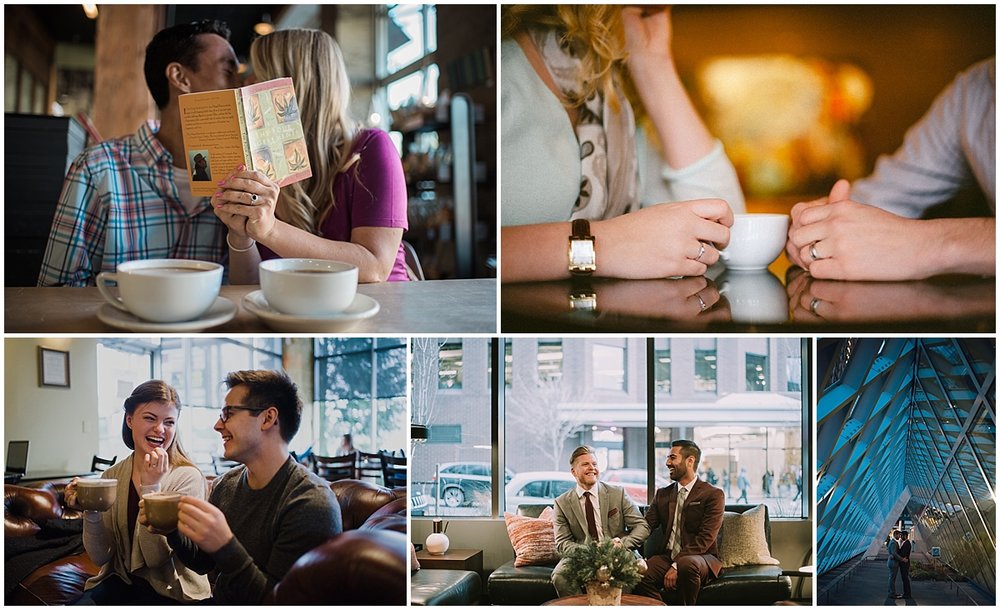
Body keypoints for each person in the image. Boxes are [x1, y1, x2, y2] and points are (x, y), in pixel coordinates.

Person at [500, 5, 744, 283]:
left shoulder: (615, 94)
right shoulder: (499, 66)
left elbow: (725, 234)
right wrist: (606, 244)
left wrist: (653, 62)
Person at [38, 20, 239, 287]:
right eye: (228, 71)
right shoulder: (97, 169)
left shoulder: (241, 175)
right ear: (180, 77)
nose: (241, 85)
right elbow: (57, 293)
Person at [211, 28, 409, 284]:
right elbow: (249, 286)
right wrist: (240, 236)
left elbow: (374, 267)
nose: (246, 82)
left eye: (258, 72)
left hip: (381, 313)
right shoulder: (262, 161)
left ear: (294, 83)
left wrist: (270, 230)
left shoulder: (371, 147)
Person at [787, 57, 995, 281]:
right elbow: (882, 197)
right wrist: (816, 227)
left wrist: (927, 244)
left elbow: (899, 238)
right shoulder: (974, 90)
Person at [154, 370, 342, 604]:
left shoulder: (310, 503)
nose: (217, 425)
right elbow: (203, 563)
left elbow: (281, 602)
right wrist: (171, 528)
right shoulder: (226, 484)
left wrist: (226, 545)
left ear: (267, 418)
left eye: (227, 413)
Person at [63, 381, 210, 603]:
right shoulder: (112, 475)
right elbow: (100, 556)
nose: (160, 429)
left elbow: (155, 558)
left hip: (172, 593)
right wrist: (90, 508)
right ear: (129, 420)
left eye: (169, 422)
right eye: (150, 418)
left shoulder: (188, 477)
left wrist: (151, 489)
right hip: (122, 581)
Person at [551, 445, 650, 597]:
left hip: (618, 551)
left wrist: (622, 544)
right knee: (560, 576)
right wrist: (592, 552)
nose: (592, 468)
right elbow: (562, 543)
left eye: (594, 464)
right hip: (582, 554)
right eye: (585, 464)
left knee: (631, 569)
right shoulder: (562, 503)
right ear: (573, 471)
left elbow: (642, 526)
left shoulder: (617, 493)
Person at [635, 440, 724, 605]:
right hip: (667, 556)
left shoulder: (713, 495)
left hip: (701, 557)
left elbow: (705, 538)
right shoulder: (663, 494)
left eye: (672, 458)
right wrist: (623, 540)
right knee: (638, 573)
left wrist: (676, 565)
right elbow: (646, 526)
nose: (667, 462)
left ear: (690, 461)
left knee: (686, 564)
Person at [887, 529, 905, 599]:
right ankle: (892, 593)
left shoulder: (892, 542)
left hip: (892, 562)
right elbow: (894, 553)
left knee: (891, 578)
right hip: (893, 563)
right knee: (892, 579)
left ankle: (891, 592)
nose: (900, 536)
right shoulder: (893, 543)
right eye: (899, 535)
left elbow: (893, 553)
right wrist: (902, 559)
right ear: (895, 535)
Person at [896, 530, 912, 599]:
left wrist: (897, 554)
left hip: (904, 564)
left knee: (905, 579)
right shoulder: (905, 543)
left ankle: (907, 594)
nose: (900, 537)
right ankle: (906, 593)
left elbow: (903, 554)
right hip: (904, 563)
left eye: (902, 535)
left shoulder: (907, 543)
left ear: (905, 536)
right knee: (905, 579)